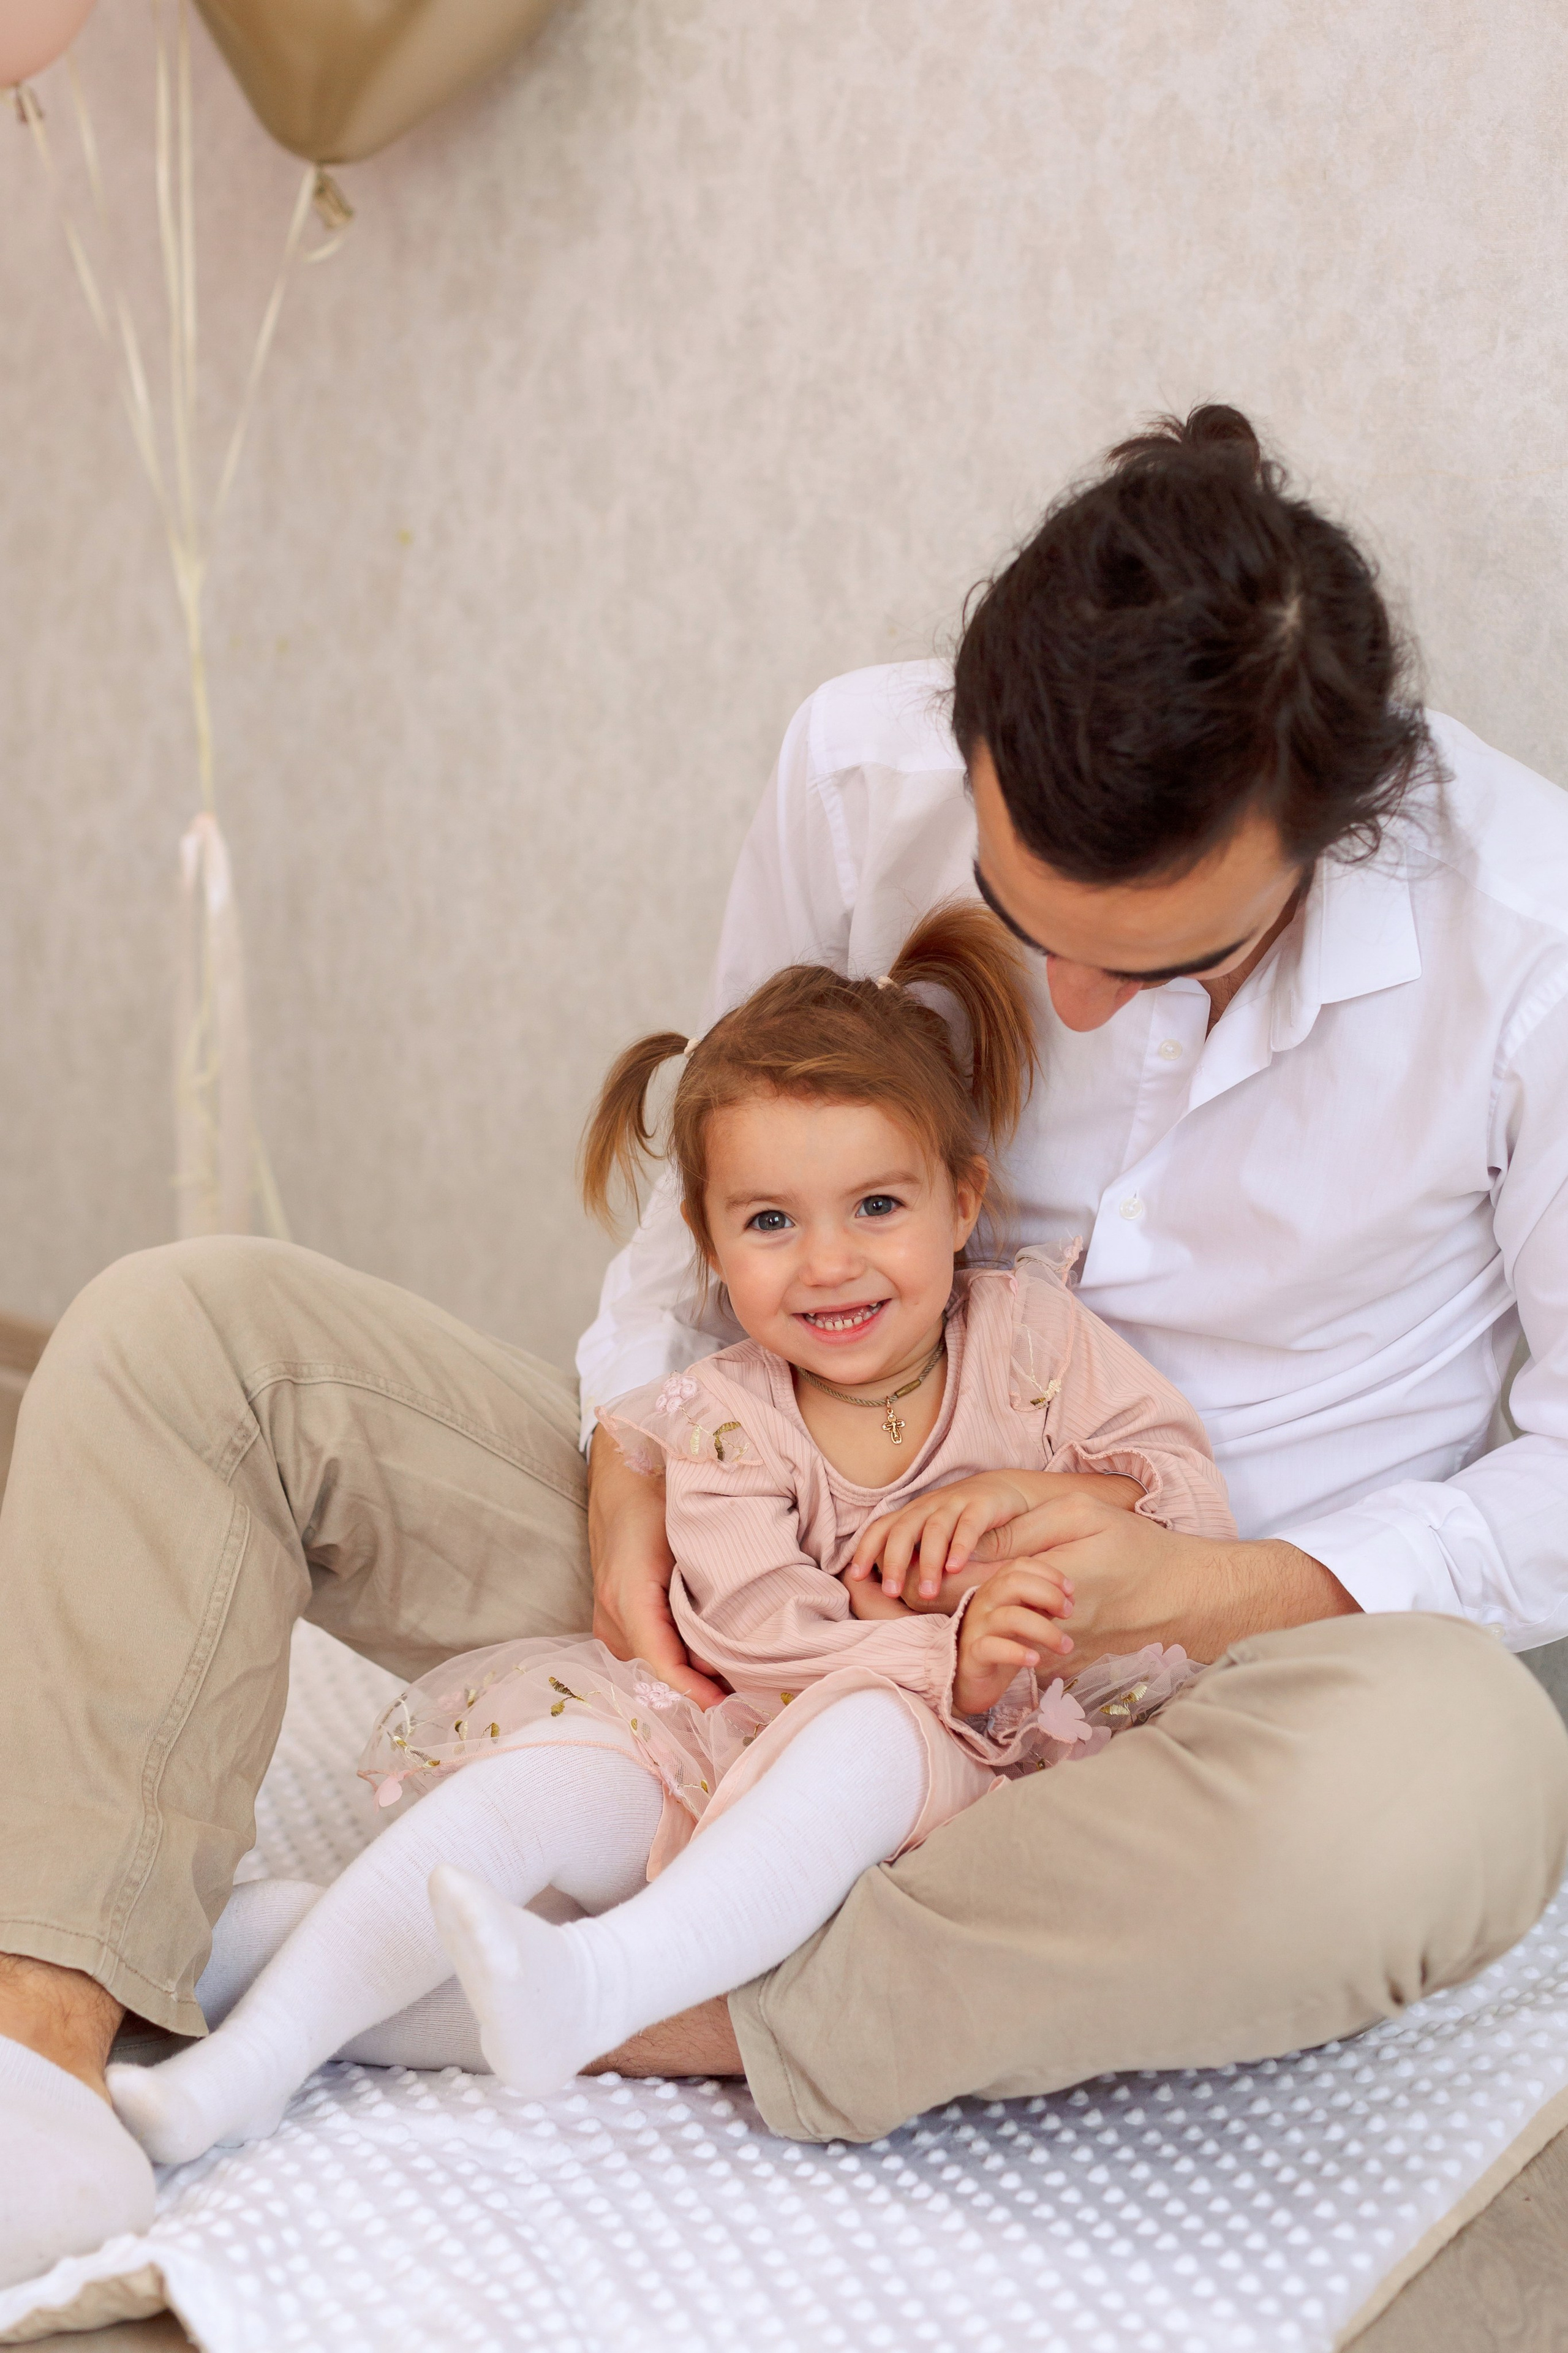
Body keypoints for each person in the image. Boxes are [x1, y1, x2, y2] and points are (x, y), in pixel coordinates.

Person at [1, 402, 1565, 2287]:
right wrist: (630, 1455)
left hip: (1157, 1696)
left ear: (1336, 826)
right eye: (1012, 913)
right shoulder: (856, 759)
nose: (1061, 1002)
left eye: (1158, 967)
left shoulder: (1532, 939)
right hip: (749, 1579)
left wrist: (1207, 1579)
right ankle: (44, 2033)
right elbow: (714, 1174)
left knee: (1465, 1775)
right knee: (187, 1330)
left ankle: (605, 1999)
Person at [103, 904, 1232, 2166]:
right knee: (542, 1780)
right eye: (768, 1224)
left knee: (873, 1730)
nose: (826, 1265)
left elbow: (1182, 1496)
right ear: (707, 1244)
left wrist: (1056, 1514)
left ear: (961, 1199)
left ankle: (583, 1979)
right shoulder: (724, 1422)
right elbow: (756, 1635)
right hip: (747, 1733)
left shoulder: (1032, 1342)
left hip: (983, 1761)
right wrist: (939, 1644)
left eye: (873, 1205)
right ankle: (246, 2065)